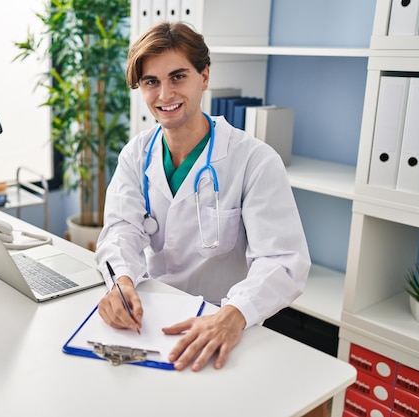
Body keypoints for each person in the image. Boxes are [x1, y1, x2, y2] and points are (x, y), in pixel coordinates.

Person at [94, 21, 311, 372]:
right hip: (152, 315)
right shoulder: (136, 154)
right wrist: (121, 281)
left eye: (178, 77)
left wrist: (233, 314)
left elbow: (283, 261)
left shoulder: (254, 160)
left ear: (204, 76)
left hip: (223, 320)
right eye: (152, 82)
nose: (164, 95)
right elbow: (121, 230)